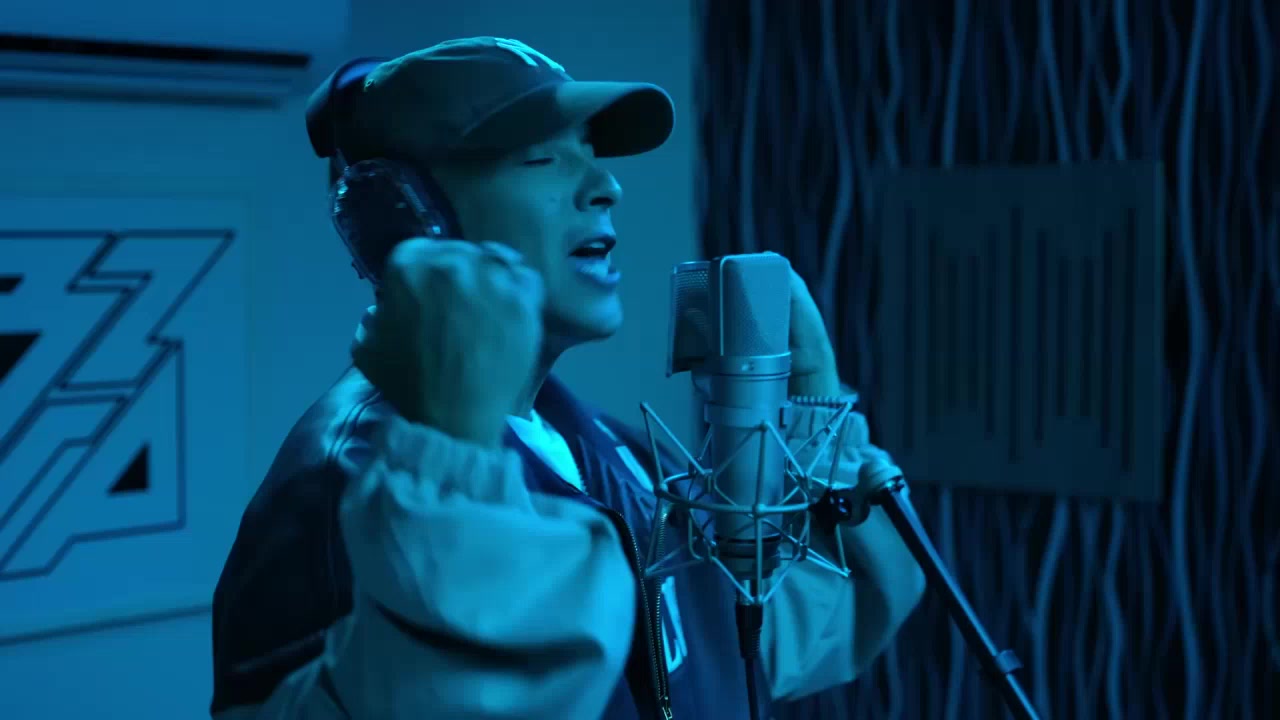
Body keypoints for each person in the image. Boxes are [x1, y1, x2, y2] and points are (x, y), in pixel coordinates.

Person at [209, 37, 925, 720]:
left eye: (591, 153)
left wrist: (813, 399)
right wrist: (453, 455)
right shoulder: (351, 485)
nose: (605, 187)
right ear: (403, 217)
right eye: (543, 158)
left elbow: (758, 647)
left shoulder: (613, 453)